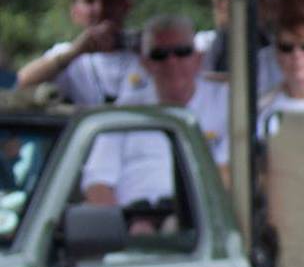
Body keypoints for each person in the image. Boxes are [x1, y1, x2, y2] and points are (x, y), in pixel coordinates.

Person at [82, 15, 230, 209]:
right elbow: (97, 182)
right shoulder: (126, 111)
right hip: (133, 223)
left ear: (198, 58)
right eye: (159, 54)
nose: (171, 62)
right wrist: (118, 231)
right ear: (146, 63)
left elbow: (231, 177)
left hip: (200, 222)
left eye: (182, 52)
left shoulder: (227, 102)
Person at [16, 0, 144, 104]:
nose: (100, 8)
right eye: (89, 0)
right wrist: (75, 52)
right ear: (75, 13)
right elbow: (20, 82)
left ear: (125, 5)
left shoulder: (149, 48)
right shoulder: (70, 55)